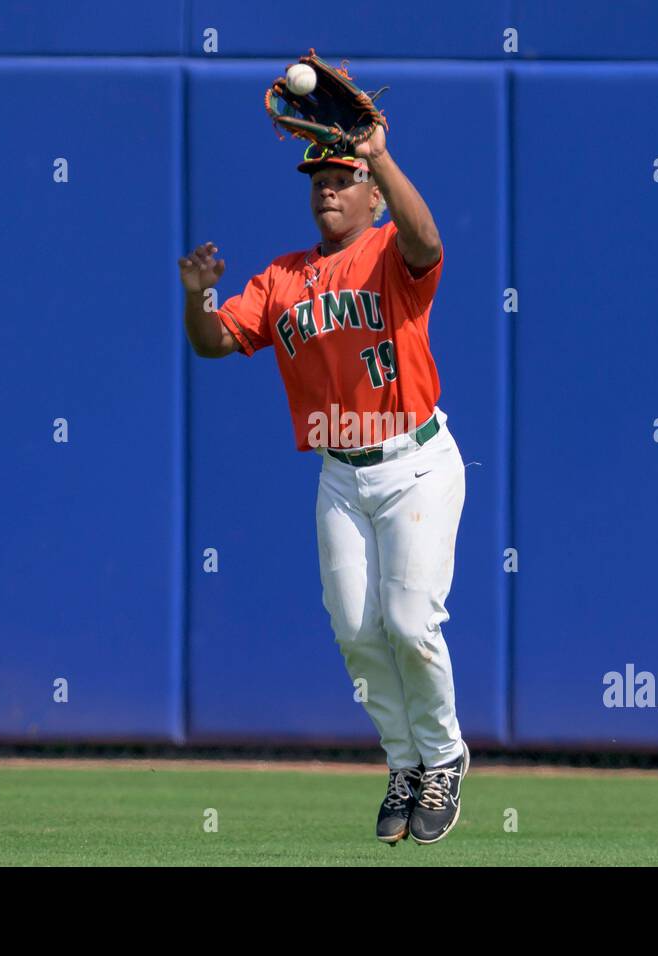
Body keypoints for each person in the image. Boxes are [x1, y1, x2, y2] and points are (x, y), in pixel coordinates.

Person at [177, 124, 469, 845]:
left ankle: (443, 756)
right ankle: (403, 763)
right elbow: (215, 341)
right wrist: (196, 299)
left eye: (342, 179)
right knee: (356, 631)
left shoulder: (390, 252)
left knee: (409, 623)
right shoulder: (282, 277)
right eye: (319, 181)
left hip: (415, 462)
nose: (328, 189)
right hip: (341, 474)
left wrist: (380, 155)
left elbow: (428, 241)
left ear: (372, 194)